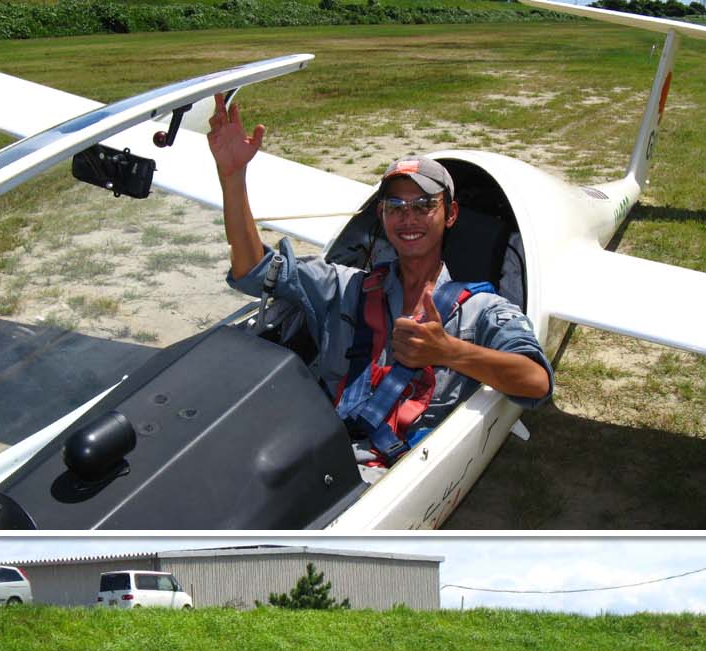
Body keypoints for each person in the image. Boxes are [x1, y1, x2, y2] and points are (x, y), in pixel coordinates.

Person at [205, 94, 553, 468]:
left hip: (392, 474)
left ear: (450, 214)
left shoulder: (481, 310)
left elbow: (536, 382)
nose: (408, 218)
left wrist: (448, 351)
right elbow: (254, 270)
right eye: (395, 207)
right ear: (381, 215)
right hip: (318, 452)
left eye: (424, 205)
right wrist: (233, 177)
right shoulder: (345, 288)